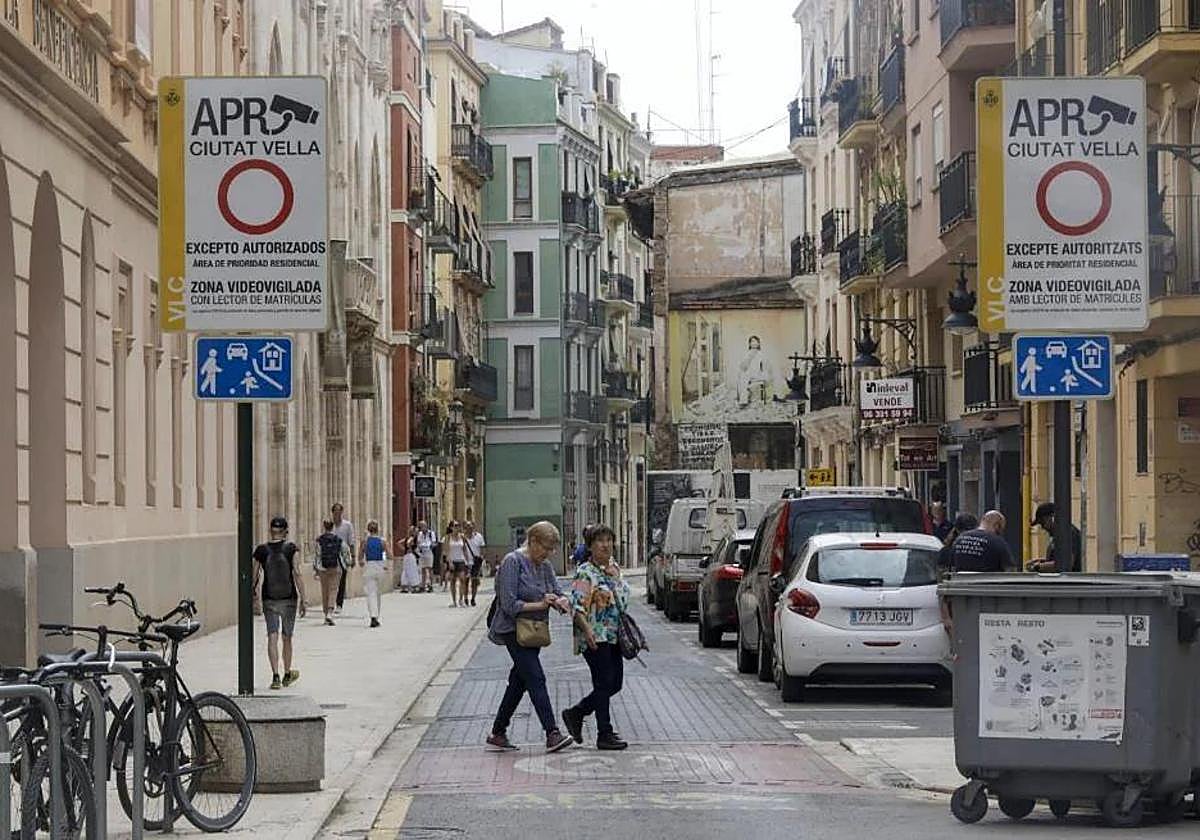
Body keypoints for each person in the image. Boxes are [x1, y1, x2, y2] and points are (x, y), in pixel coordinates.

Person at [486, 520, 573, 754]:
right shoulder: (512, 562)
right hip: (513, 629)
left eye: (551, 549)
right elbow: (509, 604)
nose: (548, 554)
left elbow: (557, 590)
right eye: (545, 547)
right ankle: (552, 733)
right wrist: (540, 603)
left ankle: (498, 731)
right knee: (535, 677)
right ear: (532, 541)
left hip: (533, 630)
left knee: (519, 680)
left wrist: (561, 601)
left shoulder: (544, 567)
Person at [561, 525, 631, 751]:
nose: (606, 545)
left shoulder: (613, 569)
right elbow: (577, 605)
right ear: (590, 546)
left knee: (615, 683)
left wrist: (616, 579)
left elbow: (623, 601)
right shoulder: (585, 572)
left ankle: (577, 712)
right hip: (594, 635)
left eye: (609, 540)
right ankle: (604, 732)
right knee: (603, 683)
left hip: (613, 635)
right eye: (600, 541)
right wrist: (587, 630)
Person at [251, 516, 306, 690]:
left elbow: (254, 574)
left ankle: (275, 676)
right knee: (287, 637)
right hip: (289, 598)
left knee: (272, 636)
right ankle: (287, 673)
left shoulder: (261, 550)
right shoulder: (291, 549)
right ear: (286, 532)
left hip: (269, 598)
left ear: (270, 531)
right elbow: (297, 573)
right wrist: (304, 598)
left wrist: (253, 593)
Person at [949, 510, 1017, 573]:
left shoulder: (959, 539)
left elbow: (952, 568)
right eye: (1002, 528)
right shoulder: (997, 541)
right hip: (986, 584)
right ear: (997, 526)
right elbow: (1010, 570)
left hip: (960, 584)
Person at [1027, 502, 1083, 572]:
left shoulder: (1069, 533)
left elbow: (1066, 563)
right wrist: (1041, 562)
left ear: (1052, 517)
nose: (1043, 527)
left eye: (1043, 522)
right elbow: (1057, 560)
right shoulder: (1057, 537)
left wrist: (1038, 567)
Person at [314, 519, 349, 625]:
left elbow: (317, 555)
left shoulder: (319, 540)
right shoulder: (338, 540)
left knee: (325, 590)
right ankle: (330, 612)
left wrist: (315, 569)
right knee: (333, 590)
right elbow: (345, 552)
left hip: (323, 568)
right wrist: (347, 563)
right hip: (336, 567)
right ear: (332, 527)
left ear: (324, 527)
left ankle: (326, 614)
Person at [358, 520, 389, 628]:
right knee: (377, 593)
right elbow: (390, 555)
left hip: (369, 566)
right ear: (377, 529)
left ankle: (373, 616)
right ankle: (376, 615)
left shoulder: (365, 541)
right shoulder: (382, 541)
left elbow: (360, 556)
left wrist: (361, 561)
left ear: (368, 529)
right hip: (380, 566)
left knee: (371, 592)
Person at [331, 503, 356, 615]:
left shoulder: (347, 525)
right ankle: (331, 602)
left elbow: (351, 542)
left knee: (341, 580)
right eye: (335, 512)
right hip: (331, 556)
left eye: (339, 512)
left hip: (343, 556)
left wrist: (353, 556)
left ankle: (339, 604)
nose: (337, 514)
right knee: (331, 581)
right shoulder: (330, 526)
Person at [444, 521, 469, 607]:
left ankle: (461, 600)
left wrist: (467, 560)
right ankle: (454, 601)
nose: (457, 528)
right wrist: (449, 562)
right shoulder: (448, 538)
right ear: (451, 528)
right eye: (455, 526)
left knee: (462, 579)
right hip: (452, 560)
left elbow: (464, 549)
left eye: (458, 526)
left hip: (461, 560)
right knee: (453, 581)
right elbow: (446, 551)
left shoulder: (462, 537)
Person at [465, 521, 486, 607]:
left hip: (475, 562)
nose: (469, 529)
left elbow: (482, 548)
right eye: (467, 527)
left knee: (474, 581)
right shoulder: (463, 537)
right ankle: (465, 597)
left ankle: (473, 598)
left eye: (471, 527)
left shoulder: (478, 537)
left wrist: (482, 558)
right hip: (465, 562)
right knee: (465, 581)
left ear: (474, 528)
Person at [416, 521, 436, 592]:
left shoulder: (431, 533)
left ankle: (431, 585)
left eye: (423, 526)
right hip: (422, 553)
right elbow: (418, 543)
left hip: (429, 552)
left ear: (426, 526)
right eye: (421, 527)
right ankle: (423, 585)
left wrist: (429, 546)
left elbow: (433, 543)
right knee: (423, 569)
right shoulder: (420, 534)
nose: (422, 528)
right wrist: (420, 547)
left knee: (430, 569)